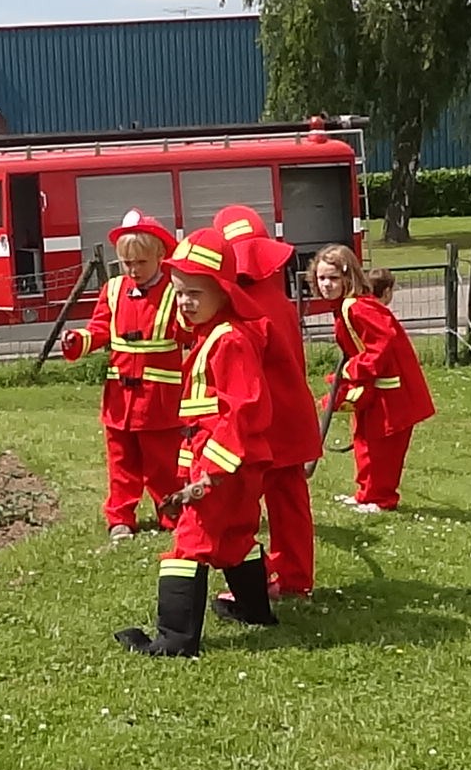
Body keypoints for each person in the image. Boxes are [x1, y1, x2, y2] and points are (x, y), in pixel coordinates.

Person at [116, 227, 275, 656]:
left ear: (223, 294)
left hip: (225, 466)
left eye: (195, 294)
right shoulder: (217, 334)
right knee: (236, 537)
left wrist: (211, 473)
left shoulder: (229, 341)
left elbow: (243, 411)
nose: (184, 302)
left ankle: (174, 641)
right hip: (238, 466)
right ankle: (256, 612)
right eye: (180, 292)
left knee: (190, 544)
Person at [212, 205, 320, 599]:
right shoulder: (278, 299)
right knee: (290, 503)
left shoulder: (242, 307)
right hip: (293, 417)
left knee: (240, 504)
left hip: (261, 422)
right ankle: (294, 577)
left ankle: (256, 584)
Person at [60, 209, 186, 541]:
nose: (133, 270)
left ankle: (171, 513)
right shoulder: (114, 290)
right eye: (127, 263)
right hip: (120, 398)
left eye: (141, 263)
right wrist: (78, 341)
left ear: (160, 255)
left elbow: (191, 335)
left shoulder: (175, 292)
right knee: (121, 462)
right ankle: (120, 518)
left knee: (164, 463)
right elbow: (99, 328)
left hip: (159, 399)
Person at [311, 245, 434, 512]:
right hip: (376, 389)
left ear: (348, 276)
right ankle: (366, 494)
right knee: (364, 441)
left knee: (382, 448)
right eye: (321, 278)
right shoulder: (347, 307)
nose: (326, 284)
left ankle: (381, 498)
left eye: (333, 278)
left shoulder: (357, 307)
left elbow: (384, 342)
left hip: (390, 393)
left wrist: (352, 371)